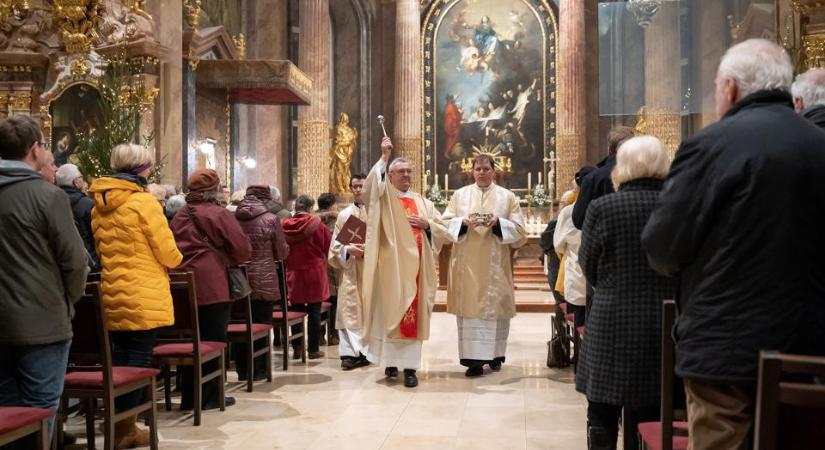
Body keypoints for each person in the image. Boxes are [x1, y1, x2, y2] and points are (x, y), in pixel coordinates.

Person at [642, 38, 825, 450]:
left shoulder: (710, 146)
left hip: (724, 348)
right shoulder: (819, 144)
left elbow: (663, 246)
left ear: (729, 87)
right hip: (810, 346)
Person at [577, 136, 675, 450]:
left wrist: (611, 286)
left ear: (623, 167)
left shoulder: (603, 207)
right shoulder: (676, 208)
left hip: (611, 318)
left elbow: (587, 265)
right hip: (664, 320)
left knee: (603, 410)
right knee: (652, 409)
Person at [88, 143, 183, 448]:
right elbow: (167, 252)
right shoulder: (143, 203)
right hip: (143, 290)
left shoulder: (98, 204)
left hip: (112, 290)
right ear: (142, 169)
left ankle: (119, 423)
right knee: (138, 361)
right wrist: (176, 260)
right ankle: (124, 428)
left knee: (119, 358)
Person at [0, 115, 87, 447]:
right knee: (40, 408)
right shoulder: (47, 196)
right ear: (34, 149)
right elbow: (75, 262)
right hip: (43, 320)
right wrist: (67, 300)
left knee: (7, 410)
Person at [361, 137, 445, 388]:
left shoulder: (423, 202)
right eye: (401, 171)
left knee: (413, 316)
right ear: (391, 174)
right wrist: (384, 158)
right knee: (391, 313)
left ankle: (410, 368)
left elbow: (443, 229)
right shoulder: (385, 199)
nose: (406, 175)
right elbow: (370, 191)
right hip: (391, 269)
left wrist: (427, 225)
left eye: (409, 171)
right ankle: (390, 361)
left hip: (418, 269)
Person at [170, 168, 252, 410]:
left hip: (181, 284)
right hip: (212, 285)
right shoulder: (218, 214)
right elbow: (241, 248)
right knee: (213, 339)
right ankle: (210, 396)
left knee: (189, 340)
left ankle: (188, 395)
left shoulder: (180, 216)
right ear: (213, 190)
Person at [439, 154, 527, 377]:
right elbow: (444, 225)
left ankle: (495, 355)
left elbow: (520, 232)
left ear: (494, 171)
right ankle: (473, 361)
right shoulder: (459, 196)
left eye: (486, 168)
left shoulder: (507, 197)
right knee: (470, 312)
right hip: (466, 266)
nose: (482, 172)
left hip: (495, 266)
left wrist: (499, 223)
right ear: (472, 171)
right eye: (478, 169)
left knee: (495, 307)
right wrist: (462, 222)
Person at [233, 185, 289, 380]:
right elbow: (281, 252)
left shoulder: (232, 217)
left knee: (240, 324)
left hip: (238, 279)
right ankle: (260, 370)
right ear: (266, 200)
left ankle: (242, 371)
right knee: (263, 323)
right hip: (264, 278)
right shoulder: (271, 219)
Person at [328, 173, 370, 370]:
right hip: (351, 270)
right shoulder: (345, 215)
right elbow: (335, 246)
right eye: (354, 186)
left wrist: (368, 251)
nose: (358, 189)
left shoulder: (377, 213)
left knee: (368, 311)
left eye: (361, 186)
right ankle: (349, 354)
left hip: (371, 271)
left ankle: (366, 352)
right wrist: (348, 250)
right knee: (347, 311)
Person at [282, 195, 332, 359]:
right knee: (314, 310)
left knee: (295, 310)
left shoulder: (284, 225)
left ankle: (297, 348)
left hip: (293, 273)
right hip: (315, 272)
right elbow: (328, 246)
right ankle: (313, 349)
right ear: (310, 208)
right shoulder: (317, 225)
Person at [552, 167, 595, 328]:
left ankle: (578, 352)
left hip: (576, 271)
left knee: (579, 321)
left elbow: (558, 245)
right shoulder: (603, 206)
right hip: (597, 278)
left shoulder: (569, 211)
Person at [571, 126, 635, 229]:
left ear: (609, 149)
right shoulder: (641, 174)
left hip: (602, 240)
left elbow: (579, 220)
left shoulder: (593, 178)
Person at [56, 163, 100, 271]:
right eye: (81, 177)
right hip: (91, 261)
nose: (83, 180)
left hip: (65, 262)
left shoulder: (54, 204)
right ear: (75, 182)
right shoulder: (87, 204)